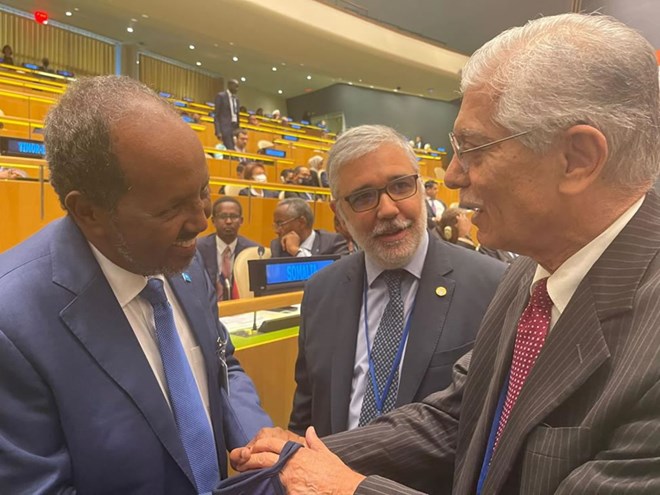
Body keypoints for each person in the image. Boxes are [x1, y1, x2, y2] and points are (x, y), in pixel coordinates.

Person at [231, 13, 660, 494]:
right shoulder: (530, 272)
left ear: (577, 159)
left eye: (474, 149)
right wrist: (306, 454)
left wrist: (349, 488)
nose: (452, 176)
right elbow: (457, 416)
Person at [0, 76, 272, 494]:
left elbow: (221, 363)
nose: (201, 222)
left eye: (202, 192)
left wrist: (261, 442)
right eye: (171, 209)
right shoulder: (12, 322)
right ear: (88, 211)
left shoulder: (181, 258)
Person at [286, 125, 504, 438]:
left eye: (401, 186)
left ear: (421, 188)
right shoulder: (321, 291)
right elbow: (304, 420)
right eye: (363, 197)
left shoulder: (492, 286)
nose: (388, 210)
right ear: (339, 213)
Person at [197, 197, 260, 301]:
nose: (229, 221)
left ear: (241, 221)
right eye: (223, 216)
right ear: (213, 221)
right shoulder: (198, 248)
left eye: (234, 216)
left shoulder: (252, 251)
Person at [270, 197, 348, 257]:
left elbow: (338, 272)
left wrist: (296, 251)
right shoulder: (278, 246)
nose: (277, 231)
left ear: (301, 222)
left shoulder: (333, 242)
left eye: (280, 224)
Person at [214, 78, 240, 150]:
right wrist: (218, 131)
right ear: (229, 85)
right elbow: (217, 115)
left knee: (236, 149)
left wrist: (238, 130)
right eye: (236, 86)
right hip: (225, 128)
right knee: (230, 149)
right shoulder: (221, 96)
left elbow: (237, 115)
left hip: (235, 128)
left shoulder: (236, 99)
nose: (237, 89)